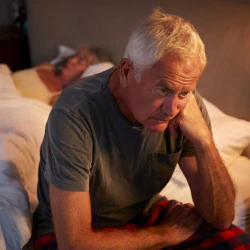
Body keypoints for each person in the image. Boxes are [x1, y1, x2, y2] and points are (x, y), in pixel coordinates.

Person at [33, 9, 250, 249]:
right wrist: (163, 235)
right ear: (127, 71)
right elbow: (73, 243)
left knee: (236, 243)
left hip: (142, 214)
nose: (171, 109)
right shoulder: (75, 112)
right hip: (75, 232)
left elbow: (221, 218)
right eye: (163, 90)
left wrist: (205, 141)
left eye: (184, 93)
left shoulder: (186, 104)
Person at [12, 45, 112, 105]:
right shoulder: (47, 67)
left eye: (79, 62)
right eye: (73, 56)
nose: (70, 60)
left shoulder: (60, 98)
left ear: (87, 72)